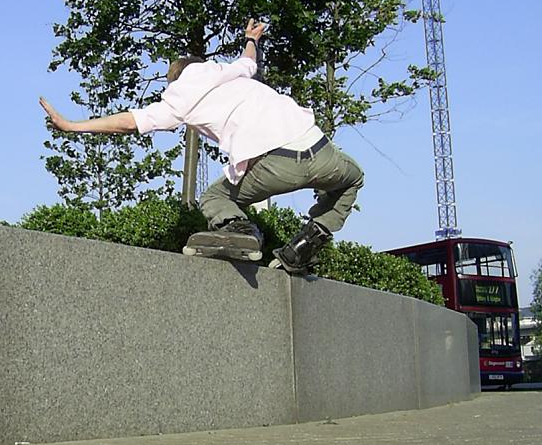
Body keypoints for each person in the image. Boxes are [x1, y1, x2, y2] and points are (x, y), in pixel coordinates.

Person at [39, 19, 364, 274]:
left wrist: (72, 125)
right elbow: (249, 60)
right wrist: (251, 39)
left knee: (215, 197)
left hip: (279, 163)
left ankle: (242, 231)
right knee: (352, 179)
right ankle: (305, 245)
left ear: (174, 79)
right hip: (321, 149)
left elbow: (129, 122)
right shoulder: (228, 71)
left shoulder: (180, 94)